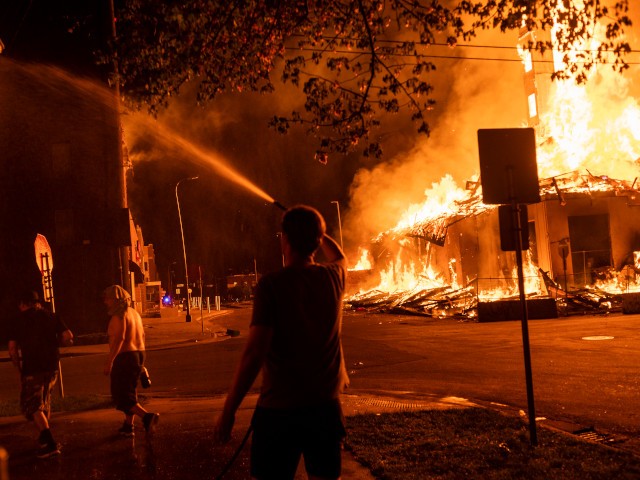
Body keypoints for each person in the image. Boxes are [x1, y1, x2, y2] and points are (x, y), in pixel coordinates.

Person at [214, 205, 349, 480]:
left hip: (280, 412)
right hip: (325, 409)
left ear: (284, 239)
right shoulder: (333, 277)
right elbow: (340, 256)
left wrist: (229, 411)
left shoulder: (272, 286)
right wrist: (317, 233)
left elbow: (254, 353)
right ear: (317, 240)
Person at [8, 290, 73, 459]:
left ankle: (49, 442)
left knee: (32, 405)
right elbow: (68, 336)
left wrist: (18, 369)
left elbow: (12, 348)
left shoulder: (19, 320)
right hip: (51, 367)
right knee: (44, 403)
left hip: (32, 369)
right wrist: (55, 345)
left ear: (23, 303)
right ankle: (44, 438)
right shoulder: (51, 316)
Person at [102, 285, 159, 437]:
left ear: (115, 300)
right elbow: (142, 336)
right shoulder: (134, 313)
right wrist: (140, 363)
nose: (106, 302)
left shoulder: (120, 316)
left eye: (108, 299)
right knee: (130, 392)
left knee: (121, 395)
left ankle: (147, 417)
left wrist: (110, 362)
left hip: (125, 357)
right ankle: (128, 425)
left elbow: (119, 339)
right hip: (138, 353)